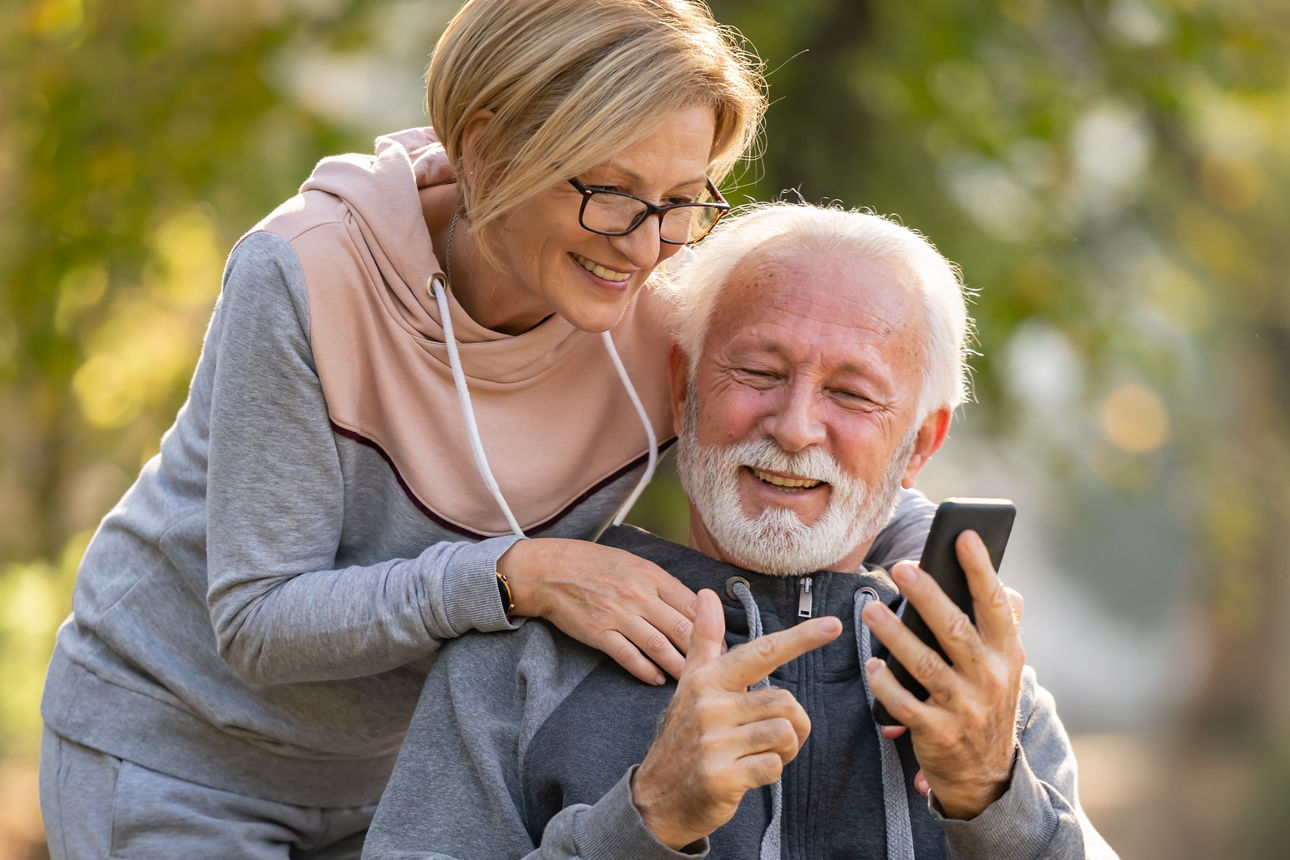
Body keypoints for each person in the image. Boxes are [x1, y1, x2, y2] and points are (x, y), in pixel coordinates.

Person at [38, 3, 938, 858]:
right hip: (176, 755)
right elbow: (258, 620)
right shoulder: (309, 275)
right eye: (612, 192)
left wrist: (946, 580)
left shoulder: (660, 303)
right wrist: (515, 575)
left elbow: (806, 451)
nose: (642, 244)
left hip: (397, 782)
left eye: (679, 199)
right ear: (486, 145)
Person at [362, 202, 1118, 859]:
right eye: (758, 372)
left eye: (852, 394)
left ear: (920, 443)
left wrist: (993, 798)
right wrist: (649, 819)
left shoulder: (979, 685)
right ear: (684, 385)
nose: (793, 429)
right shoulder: (523, 657)